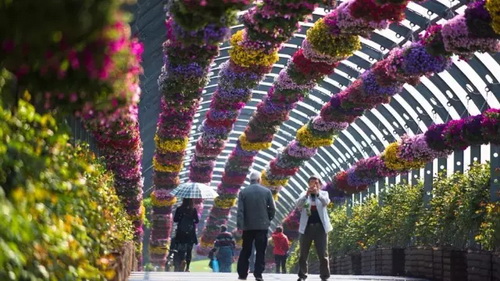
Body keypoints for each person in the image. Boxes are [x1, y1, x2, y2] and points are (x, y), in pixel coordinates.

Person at [237, 171, 276, 281]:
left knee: (246, 250)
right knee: (260, 251)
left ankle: (242, 274)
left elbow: (240, 211)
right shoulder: (266, 191)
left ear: (250, 180)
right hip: (262, 227)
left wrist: (240, 225)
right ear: (259, 180)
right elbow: (272, 208)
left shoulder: (243, 192)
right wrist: (268, 218)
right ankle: (258, 274)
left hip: (248, 227)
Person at [296, 175, 332, 281]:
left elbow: (326, 202)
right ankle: (302, 275)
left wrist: (317, 193)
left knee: (323, 253)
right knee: (303, 253)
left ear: (320, 184)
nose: (313, 185)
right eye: (311, 183)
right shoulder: (304, 194)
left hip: (320, 228)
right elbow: (298, 204)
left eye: (316, 183)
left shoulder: (324, 194)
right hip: (306, 228)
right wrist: (306, 195)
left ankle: (325, 276)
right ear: (308, 184)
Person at [173, 198, 199, 272]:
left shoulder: (179, 209)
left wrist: (181, 218)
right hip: (190, 233)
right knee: (189, 250)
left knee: (180, 249)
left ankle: (181, 261)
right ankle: (187, 267)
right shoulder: (193, 210)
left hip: (181, 233)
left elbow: (175, 220)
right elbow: (197, 221)